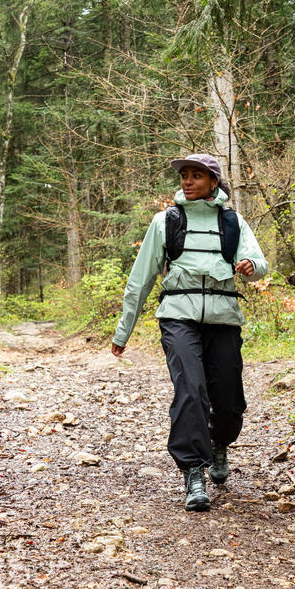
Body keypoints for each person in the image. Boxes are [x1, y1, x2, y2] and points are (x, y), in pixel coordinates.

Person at [110, 153, 268, 511]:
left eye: (197, 175)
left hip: (224, 318)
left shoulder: (233, 221)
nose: (187, 181)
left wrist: (250, 266)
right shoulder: (165, 222)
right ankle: (193, 470)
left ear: (213, 182)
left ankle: (219, 443)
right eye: (184, 175)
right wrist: (124, 332)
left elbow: (259, 263)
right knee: (190, 390)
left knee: (228, 400)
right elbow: (141, 280)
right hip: (178, 317)